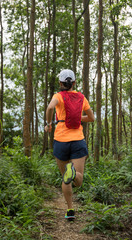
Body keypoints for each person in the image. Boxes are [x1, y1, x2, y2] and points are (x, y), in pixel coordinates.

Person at [44, 69, 95, 221]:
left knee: (65, 178)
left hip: (61, 142)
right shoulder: (82, 98)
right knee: (78, 180)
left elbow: (50, 108)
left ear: (60, 83)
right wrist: (78, 118)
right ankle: (73, 173)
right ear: (74, 82)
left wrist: (48, 123)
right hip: (78, 141)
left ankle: (70, 210)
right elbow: (91, 118)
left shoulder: (58, 96)